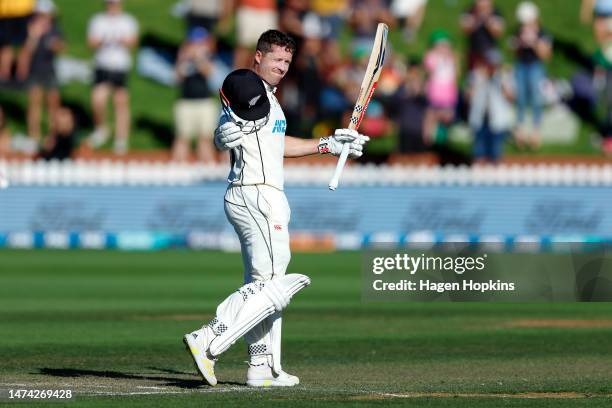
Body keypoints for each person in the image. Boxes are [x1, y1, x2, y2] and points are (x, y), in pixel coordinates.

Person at [182, 30, 369, 387]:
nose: (282, 67)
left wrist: (329, 143)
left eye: (286, 62)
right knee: (272, 285)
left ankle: (262, 366)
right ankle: (208, 339)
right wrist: (220, 134)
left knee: (261, 284)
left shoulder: (271, 99)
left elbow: (279, 144)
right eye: (276, 60)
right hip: (256, 194)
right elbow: (232, 120)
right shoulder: (249, 90)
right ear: (258, 56)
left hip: (259, 194)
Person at [87, 0, 138, 155]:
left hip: (120, 66)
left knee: (121, 102)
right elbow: (91, 42)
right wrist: (104, 41)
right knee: (97, 99)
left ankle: (121, 139)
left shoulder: (128, 21)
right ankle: (102, 128)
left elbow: (133, 42)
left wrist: (123, 41)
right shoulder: (98, 20)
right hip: (103, 65)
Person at [16, 0, 64, 148]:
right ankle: (34, 136)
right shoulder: (30, 29)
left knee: (53, 104)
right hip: (35, 70)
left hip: (49, 71)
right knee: (34, 104)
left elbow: (60, 47)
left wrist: (52, 42)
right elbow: (24, 53)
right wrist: (34, 37)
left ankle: (53, 135)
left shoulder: (54, 29)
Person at [173, 26, 221, 162]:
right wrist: (184, 59)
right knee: (182, 138)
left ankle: (206, 170)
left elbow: (209, 73)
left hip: (204, 102)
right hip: (185, 102)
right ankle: (178, 168)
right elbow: (177, 77)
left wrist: (199, 59)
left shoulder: (209, 56)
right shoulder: (182, 56)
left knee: (205, 138)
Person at [510, 2, 552, 149]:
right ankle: (520, 130)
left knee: (536, 98)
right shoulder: (518, 31)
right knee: (520, 98)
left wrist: (534, 42)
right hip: (521, 66)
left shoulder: (543, 33)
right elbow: (514, 52)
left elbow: (546, 55)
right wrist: (520, 43)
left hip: (536, 67)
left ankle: (535, 131)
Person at [466, 50, 514, 164]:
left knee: (496, 154)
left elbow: (511, 98)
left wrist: (502, 81)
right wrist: (479, 80)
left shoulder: (504, 77)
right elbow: (468, 97)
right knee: (479, 154)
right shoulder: (476, 75)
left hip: (497, 121)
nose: (492, 67)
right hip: (479, 120)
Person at [460, 0, 504, 69]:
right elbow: (465, 29)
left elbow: (498, 32)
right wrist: (477, 18)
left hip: (491, 49)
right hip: (474, 50)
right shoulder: (469, 10)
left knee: (494, 74)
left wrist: (487, 19)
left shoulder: (496, 12)